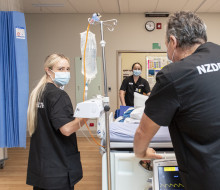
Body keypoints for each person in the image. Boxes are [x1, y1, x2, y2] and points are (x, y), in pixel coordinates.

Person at [134, 11, 220, 190]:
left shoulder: (173, 74)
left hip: (208, 177)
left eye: (166, 45)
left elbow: (143, 132)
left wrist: (141, 152)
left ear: (173, 42)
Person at [26, 53, 87, 190]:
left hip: (42, 168)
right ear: (48, 70)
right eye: (60, 69)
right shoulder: (58, 95)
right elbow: (66, 129)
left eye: (67, 69)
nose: (65, 73)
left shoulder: (38, 93)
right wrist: (85, 117)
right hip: (58, 169)